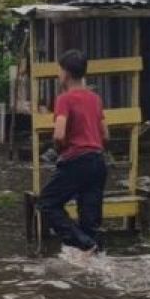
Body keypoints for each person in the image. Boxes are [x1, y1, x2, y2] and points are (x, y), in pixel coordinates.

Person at [38, 50, 109, 255]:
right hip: (98, 160)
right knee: (90, 220)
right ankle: (95, 261)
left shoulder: (64, 99)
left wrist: (60, 150)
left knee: (48, 202)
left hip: (76, 160)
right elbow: (106, 134)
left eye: (59, 70)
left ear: (66, 73)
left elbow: (59, 134)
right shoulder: (95, 99)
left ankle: (83, 243)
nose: (58, 75)